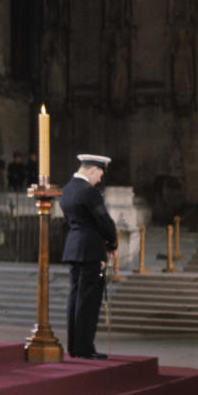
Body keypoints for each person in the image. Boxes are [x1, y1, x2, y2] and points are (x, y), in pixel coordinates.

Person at [60, 154, 117, 359]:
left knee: (75, 298)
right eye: (100, 174)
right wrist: (112, 242)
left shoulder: (66, 190)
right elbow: (103, 219)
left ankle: (75, 346)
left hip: (74, 248)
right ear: (92, 169)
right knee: (89, 300)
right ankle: (85, 348)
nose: (100, 179)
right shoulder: (89, 192)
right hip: (91, 250)